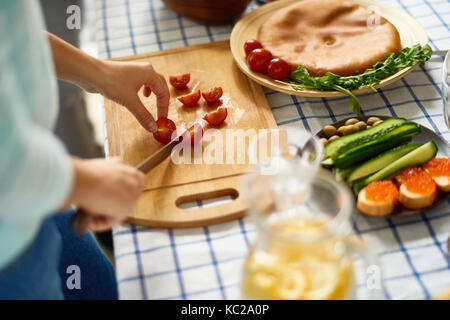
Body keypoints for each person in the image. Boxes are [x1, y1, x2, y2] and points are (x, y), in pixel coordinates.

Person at [0, 0, 170, 299]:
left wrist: (99, 73)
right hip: (9, 255)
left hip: (38, 190)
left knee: (98, 287)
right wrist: (85, 182)